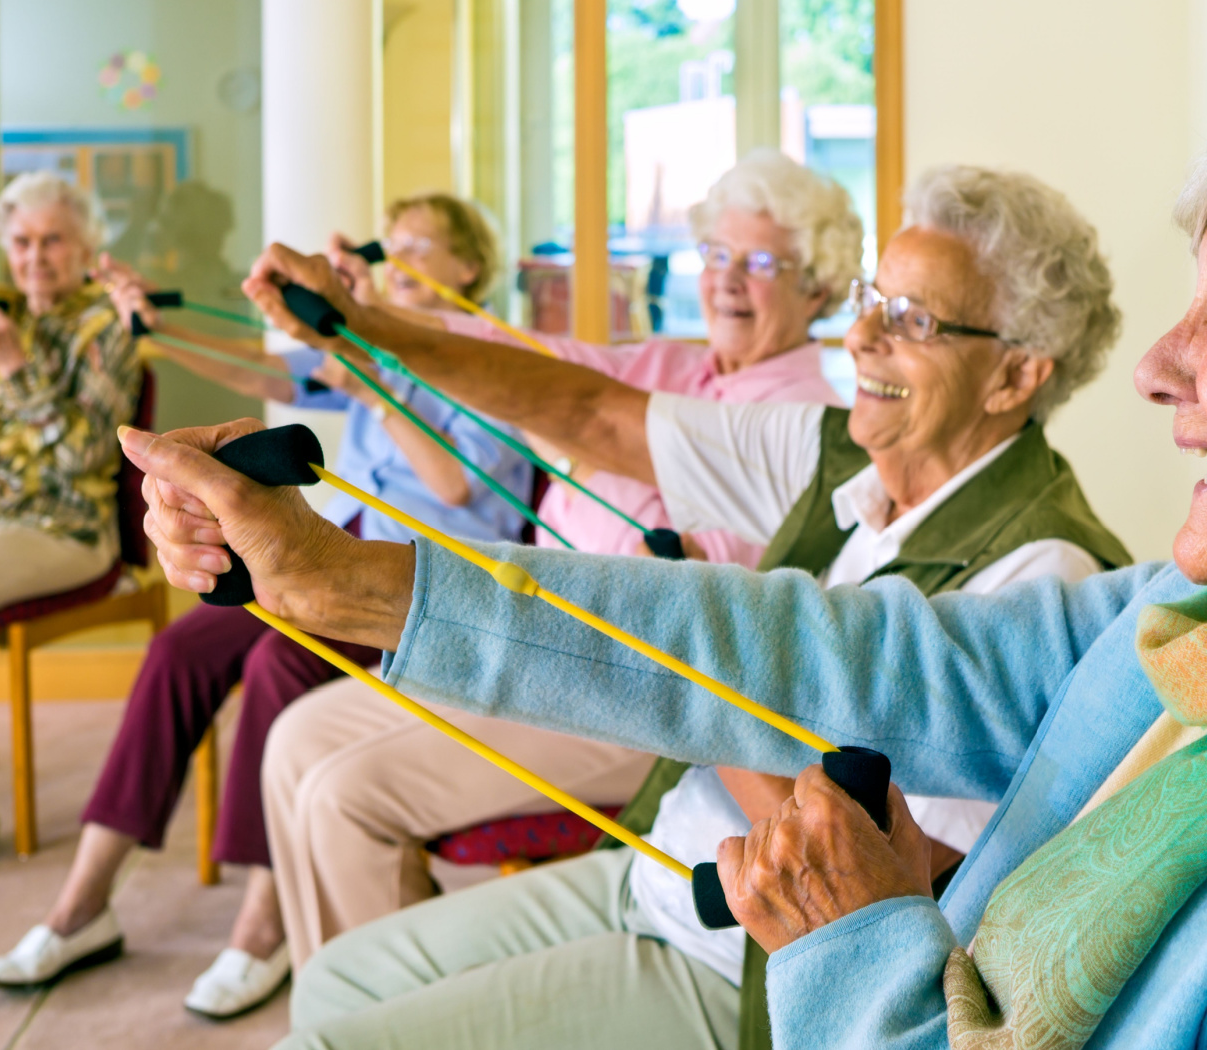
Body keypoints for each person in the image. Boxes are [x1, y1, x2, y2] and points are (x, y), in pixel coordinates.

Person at [139, 113, 1207, 1048]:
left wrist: (866, 939)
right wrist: (344, 580)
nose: (1158, 368)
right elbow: (811, 646)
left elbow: (869, 827)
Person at [258, 151, 864, 973]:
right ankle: (358, 1002)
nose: (727, 280)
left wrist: (595, 450)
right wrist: (364, 318)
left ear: (818, 287)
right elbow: (529, 365)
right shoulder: (672, 367)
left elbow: (718, 587)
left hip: (640, 695)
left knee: (340, 796)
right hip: (530, 647)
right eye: (717, 255)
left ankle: (378, 1011)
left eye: (760, 263)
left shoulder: (804, 416)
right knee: (294, 741)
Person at [0, 193, 533, 1021]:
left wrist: (372, 381)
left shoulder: (493, 360)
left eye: (424, 245)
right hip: (351, 553)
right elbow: (262, 373)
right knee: (180, 651)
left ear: (468, 268)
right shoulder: (377, 345)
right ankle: (81, 905)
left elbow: (455, 487)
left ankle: (261, 923)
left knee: (278, 663)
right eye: (396, 243)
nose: (400, 257)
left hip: (434, 587)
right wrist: (152, 328)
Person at [0, 172, 142, 873]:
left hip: (68, 530)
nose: (36, 256)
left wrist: (12, 364)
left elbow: (84, 456)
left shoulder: (106, 326)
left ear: (85, 246)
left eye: (53, 240)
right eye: (21, 241)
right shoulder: (0, 313)